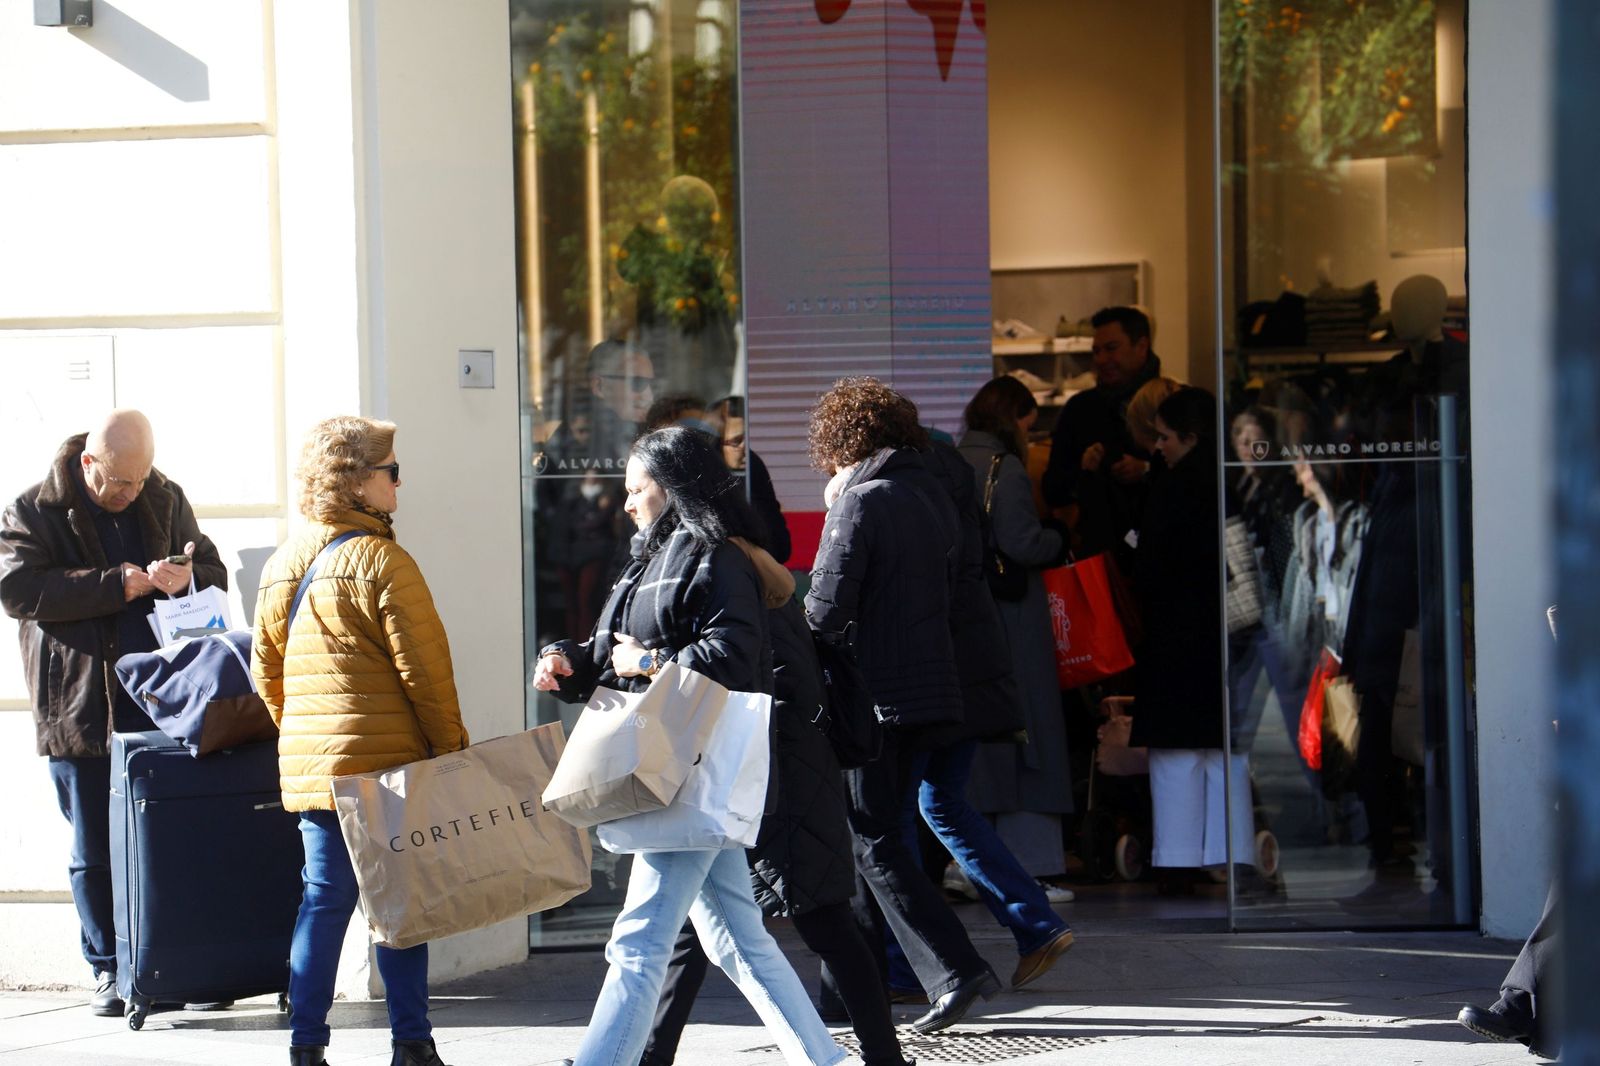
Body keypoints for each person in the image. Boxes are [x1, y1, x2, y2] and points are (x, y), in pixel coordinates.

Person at [535, 427, 846, 1066]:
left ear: (673, 486)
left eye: (637, 489)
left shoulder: (716, 557)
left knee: (640, 939)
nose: (626, 502)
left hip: (686, 766)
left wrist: (648, 663)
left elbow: (733, 653)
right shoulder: (648, 559)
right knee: (739, 942)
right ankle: (827, 1060)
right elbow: (608, 654)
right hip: (676, 768)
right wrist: (564, 661)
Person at [638, 540, 911, 1066]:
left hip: (779, 776)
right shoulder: (761, 581)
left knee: (823, 922)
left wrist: (651, 662)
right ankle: (650, 1054)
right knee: (698, 927)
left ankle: (884, 1056)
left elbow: (760, 685)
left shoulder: (734, 585)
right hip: (777, 771)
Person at [252, 416, 470, 1066]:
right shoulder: (384, 563)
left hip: (318, 773)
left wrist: (307, 738)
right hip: (387, 770)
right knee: (398, 905)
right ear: (356, 482)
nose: (399, 482)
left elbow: (267, 674)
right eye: (391, 471)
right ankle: (412, 1043)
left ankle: (306, 1045)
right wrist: (451, 752)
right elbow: (426, 675)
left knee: (324, 901)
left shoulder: (284, 562)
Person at [0, 409, 223, 1018]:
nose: (130, 492)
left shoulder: (162, 495)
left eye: (140, 479)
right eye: (120, 481)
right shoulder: (34, 509)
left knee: (171, 837)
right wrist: (111, 585)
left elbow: (213, 571)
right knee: (95, 846)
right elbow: (17, 588)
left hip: (165, 701)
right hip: (80, 707)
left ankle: (178, 965)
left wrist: (184, 578)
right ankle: (107, 967)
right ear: (88, 463)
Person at [805, 378, 1001, 1035]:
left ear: (841, 443)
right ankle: (848, 991)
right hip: (930, 693)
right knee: (871, 840)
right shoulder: (931, 496)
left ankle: (954, 968)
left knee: (874, 842)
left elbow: (825, 611)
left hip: (874, 699)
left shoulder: (860, 502)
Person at [1128, 387, 1255, 888]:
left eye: (1165, 437)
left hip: (1176, 637)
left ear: (1191, 437)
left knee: (1176, 756)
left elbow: (1149, 569)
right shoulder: (1236, 481)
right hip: (1229, 636)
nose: (1158, 446)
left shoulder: (1172, 488)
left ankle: (1178, 860)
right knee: (1227, 753)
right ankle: (1232, 853)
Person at [956, 377, 1078, 882]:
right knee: (1030, 730)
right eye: (1028, 424)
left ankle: (968, 860)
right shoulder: (1004, 468)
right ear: (1013, 421)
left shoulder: (951, 461)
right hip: (1012, 616)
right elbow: (1022, 543)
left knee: (977, 737)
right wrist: (1060, 536)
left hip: (967, 612)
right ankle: (1027, 865)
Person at [1041, 306, 1163, 565]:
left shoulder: (1169, 402)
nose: (1101, 359)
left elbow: (1192, 476)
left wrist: (1146, 469)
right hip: (1098, 556)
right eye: (1096, 351)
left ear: (1141, 346)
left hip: (1162, 550)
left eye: (1111, 348)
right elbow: (1053, 488)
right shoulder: (1080, 409)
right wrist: (1085, 471)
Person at [711, 395, 792, 564]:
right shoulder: (708, 474)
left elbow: (779, 543)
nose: (744, 448)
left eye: (746, 439)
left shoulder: (752, 466)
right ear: (717, 444)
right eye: (736, 441)